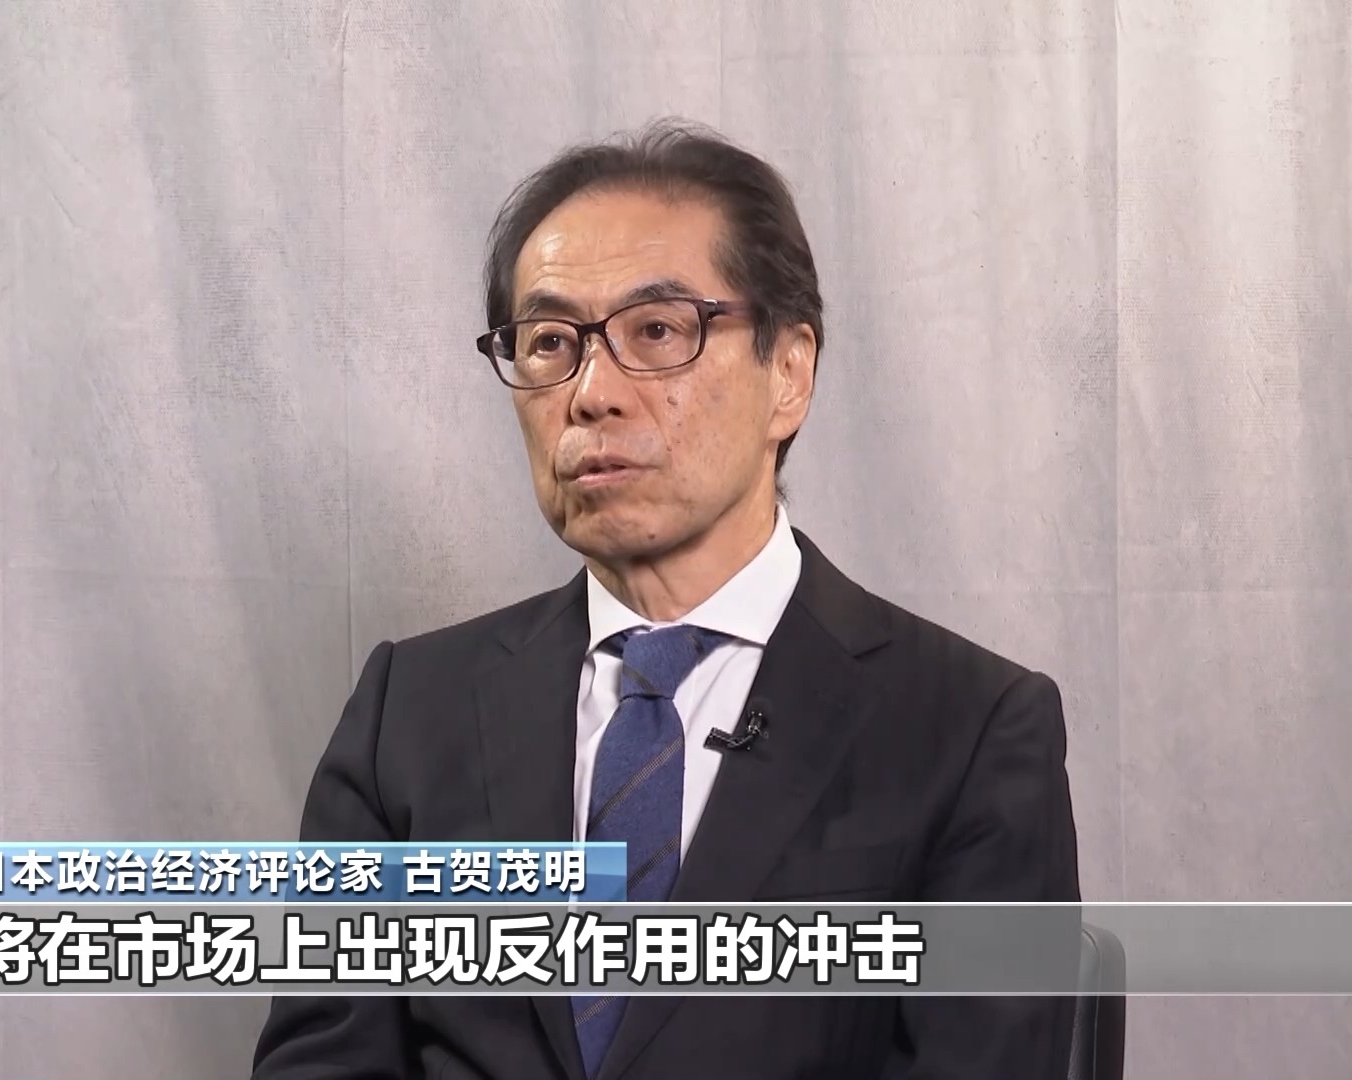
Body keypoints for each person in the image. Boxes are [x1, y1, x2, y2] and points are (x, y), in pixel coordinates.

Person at [252, 119, 1081, 1080]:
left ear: (789, 373)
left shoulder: (970, 731)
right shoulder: (408, 713)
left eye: (656, 331)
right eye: (550, 342)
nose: (592, 393)